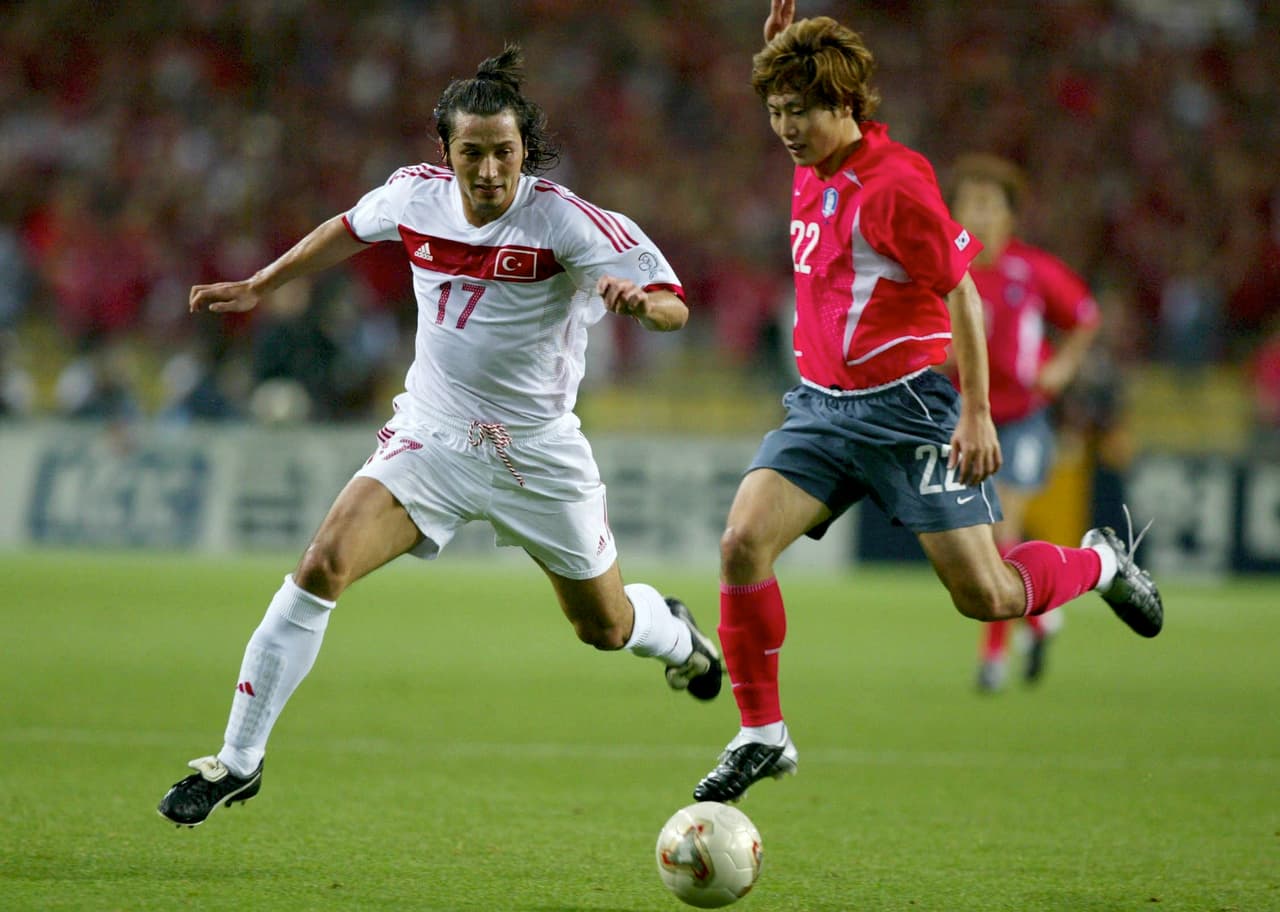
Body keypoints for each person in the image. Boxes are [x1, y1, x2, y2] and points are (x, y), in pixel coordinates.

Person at [157, 46, 722, 828]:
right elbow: (347, 228)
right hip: (433, 435)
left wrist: (640, 305)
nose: (489, 170)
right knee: (322, 565)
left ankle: (677, 636)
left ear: (525, 149)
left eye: (504, 153)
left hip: (536, 455)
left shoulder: (566, 222)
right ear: (446, 151)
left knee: (606, 627)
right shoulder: (413, 197)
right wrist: (262, 284)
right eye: (472, 153)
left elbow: (674, 305)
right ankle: (238, 761)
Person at [691, 1, 1163, 804]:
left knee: (988, 596)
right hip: (821, 410)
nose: (784, 130)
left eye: (798, 111)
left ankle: (1102, 564)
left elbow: (962, 293)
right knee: (741, 542)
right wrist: (785, 57)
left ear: (844, 104)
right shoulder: (815, 160)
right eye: (774, 111)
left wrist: (976, 412)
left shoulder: (896, 187)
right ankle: (761, 734)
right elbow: (801, 107)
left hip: (909, 411)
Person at [946, 154, 1102, 692]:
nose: (979, 215)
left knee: (998, 533)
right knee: (980, 542)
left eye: (990, 205)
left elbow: (1084, 316)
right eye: (970, 204)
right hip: (965, 424)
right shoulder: (942, 273)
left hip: (1022, 420)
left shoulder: (1031, 270)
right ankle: (1038, 619)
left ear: (1010, 216)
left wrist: (1063, 366)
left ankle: (992, 659)